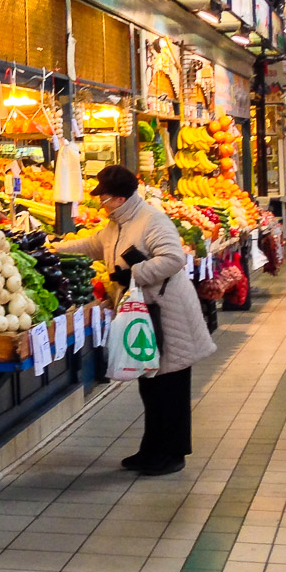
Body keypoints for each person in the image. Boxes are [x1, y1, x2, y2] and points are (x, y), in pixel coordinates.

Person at [52, 164, 215, 476]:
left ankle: (173, 454)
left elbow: (173, 258)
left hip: (167, 315)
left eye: (104, 198)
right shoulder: (117, 223)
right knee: (150, 386)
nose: (101, 203)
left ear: (120, 198)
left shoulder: (151, 220)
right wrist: (53, 248)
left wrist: (134, 274)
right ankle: (151, 449)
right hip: (144, 314)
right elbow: (93, 244)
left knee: (170, 387)